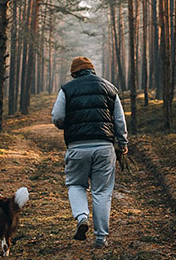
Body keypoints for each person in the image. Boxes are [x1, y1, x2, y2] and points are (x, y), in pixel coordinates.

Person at [51, 56, 128, 248]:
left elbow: (58, 117)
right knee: (102, 191)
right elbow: (119, 119)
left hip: (77, 147)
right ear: (92, 70)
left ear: (74, 73)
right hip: (104, 147)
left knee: (76, 184)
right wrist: (123, 142)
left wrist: (67, 124)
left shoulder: (67, 89)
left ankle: (82, 217)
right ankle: (101, 237)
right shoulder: (109, 88)